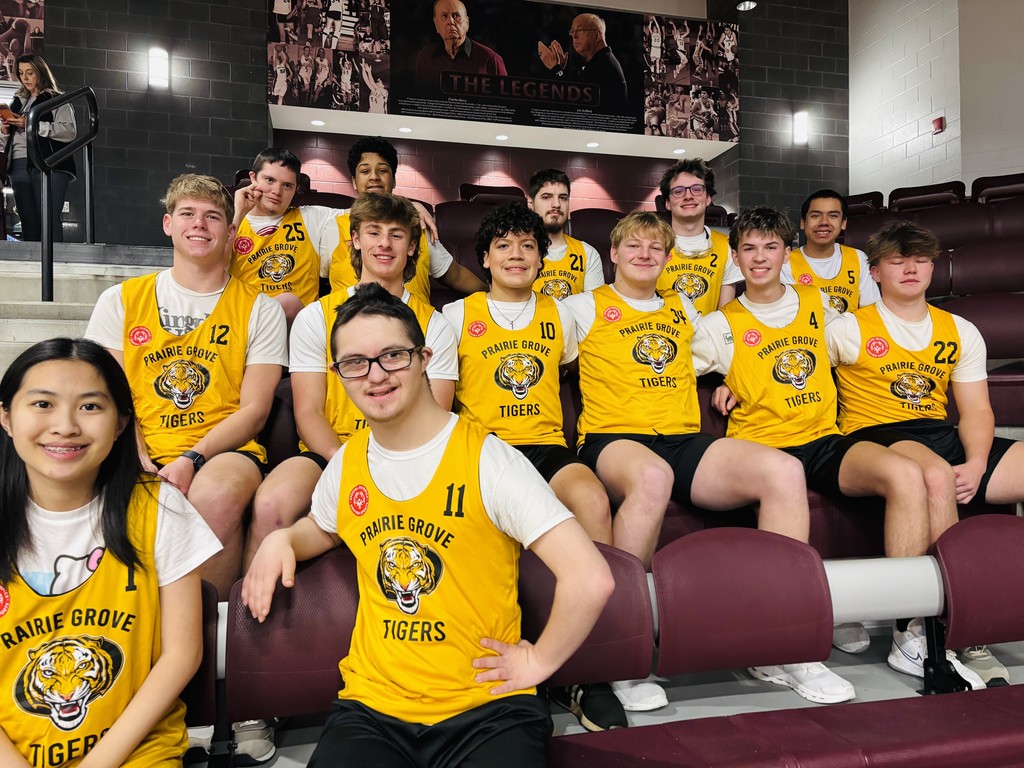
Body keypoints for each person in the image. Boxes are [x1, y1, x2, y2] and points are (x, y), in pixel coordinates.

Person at [243, 282, 613, 767]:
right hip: (373, 708)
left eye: (392, 355)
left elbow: (591, 578)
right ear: (338, 374)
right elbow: (326, 526)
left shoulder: (488, 458)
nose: (375, 375)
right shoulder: (348, 460)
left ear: (424, 358)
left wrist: (540, 661)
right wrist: (283, 538)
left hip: (488, 707)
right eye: (355, 362)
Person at [562, 211, 810, 712]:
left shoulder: (682, 309)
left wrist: (726, 382)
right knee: (653, 477)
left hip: (681, 437)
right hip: (614, 440)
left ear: (668, 258)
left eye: (655, 248)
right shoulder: (580, 307)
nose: (644, 255)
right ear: (613, 254)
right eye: (633, 246)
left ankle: (779, 636)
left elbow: (720, 356)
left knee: (784, 471)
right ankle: (623, 646)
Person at [701, 207, 948, 702]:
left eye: (771, 246)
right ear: (735, 257)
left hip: (825, 439)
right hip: (764, 446)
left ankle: (907, 630)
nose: (760, 257)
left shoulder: (822, 307)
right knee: (785, 473)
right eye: (748, 248)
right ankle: (780, 639)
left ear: (787, 254)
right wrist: (718, 380)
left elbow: (859, 355)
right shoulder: (717, 325)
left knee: (904, 474)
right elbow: (672, 373)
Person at [0, 337, 221, 767]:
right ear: (6, 417)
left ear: (122, 423)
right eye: (42, 404)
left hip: (134, 751)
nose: (65, 425)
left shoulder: (159, 506)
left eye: (90, 406)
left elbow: (181, 655)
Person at [442, 204, 621, 732]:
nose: (516, 255)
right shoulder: (457, 316)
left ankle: (590, 670)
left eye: (527, 246)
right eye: (504, 246)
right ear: (485, 258)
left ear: (542, 258)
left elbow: (569, 367)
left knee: (591, 499)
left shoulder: (560, 315)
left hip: (544, 446)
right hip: (485, 448)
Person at [831, 220, 1024, 688]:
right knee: (934, 472)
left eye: (920, 259)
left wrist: (977, 463)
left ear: (934, 267)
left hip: (942, 432)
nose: (910, 269)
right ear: (875, 272)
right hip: (877, 434)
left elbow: (976, 410)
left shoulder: (959, 329)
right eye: (897, 261)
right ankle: (932, 629)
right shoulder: (847, 328)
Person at [85, 174, 287, 601]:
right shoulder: (120, 300)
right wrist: (134, 453)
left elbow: (254, 410)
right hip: (136, 440)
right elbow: (106, 395)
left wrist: (193, 458)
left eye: (213, 216)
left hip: (224, 449)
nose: (200, 224)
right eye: (188, 214)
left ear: (231, 231)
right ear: (168, 224)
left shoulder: (261, 309)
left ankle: (204, 630)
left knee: (215, 494)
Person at [251, 192, 458, 572]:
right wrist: (342, 461)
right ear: (355, 241)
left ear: (413, 247)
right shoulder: (317, 316)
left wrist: (385, 464)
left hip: (406, 455)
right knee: (270, 503)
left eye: (397, 235)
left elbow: (437, 414)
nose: (384, 244)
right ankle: (252, 620)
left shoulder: (435, 324)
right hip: (330, 451)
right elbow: (309, 412)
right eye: (374, 232)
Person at [325, 136, 487, 302]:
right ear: (353, 181)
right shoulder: (331, 225)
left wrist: (494, 295)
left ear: (393, 180)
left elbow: (455, 274)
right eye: (365, 171)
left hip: (414, 322)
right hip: (348, 322)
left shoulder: (416, 223)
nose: (374, 177)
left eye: (382, 170)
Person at [229, 147, 343, 326]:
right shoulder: (231, 222)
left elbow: (368, 213)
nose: (277, 190)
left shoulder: (311, 217)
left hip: (299, 329)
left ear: (296, 189)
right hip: (245, 324)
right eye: (269, 180)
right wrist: (238, 214)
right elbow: (211, 269)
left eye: (287, 185)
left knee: (288, 303)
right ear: (253, 178)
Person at [0, 54, 76, 243]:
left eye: (30, 73)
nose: (25, 78)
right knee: (27, 219)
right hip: (17, 163)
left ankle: (54, 264)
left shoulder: (57, 99)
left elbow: (69, 131)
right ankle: (34, 265)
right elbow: (6, 139)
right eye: (20, 73)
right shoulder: (17, 101)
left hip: (48, 163)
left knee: (48, 218)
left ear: (41, 73)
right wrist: (5, 130)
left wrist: (31, 124)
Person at [656, 158, 742, 315]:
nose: (688, 196)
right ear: (667, 203)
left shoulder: (727, 246)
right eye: (678, 191)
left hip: (708, 336)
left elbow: (724, 314)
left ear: (708, 198)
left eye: (696, 189)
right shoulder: (652, 244)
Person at [782, 189, 880, 312]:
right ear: (802, 222)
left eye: (833, 216)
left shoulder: (858, 259)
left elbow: (871, 311)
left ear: (843, 223)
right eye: (815, 216)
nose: (824, 222)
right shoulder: (786, 263)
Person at [526, 168, 605, 299]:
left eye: (563, 198)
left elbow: (593, 309)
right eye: (546, 197)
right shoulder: (518, 252)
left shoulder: (587, 253)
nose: (556, 204)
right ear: (531, 203)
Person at [538, 13, 627, 114]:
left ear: (597, 35)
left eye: (580, 30)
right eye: (572, 31)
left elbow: (571, 106)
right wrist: (561, 69)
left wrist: (555, 68)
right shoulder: (602, 60)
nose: (574, 36)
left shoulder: (602, 65)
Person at [415, 0, 507, 97]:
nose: (450, 21)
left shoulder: (490, 59)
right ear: (436, 24)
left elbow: (505, 104)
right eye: (444, 16)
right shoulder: (425, 57)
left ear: (467, 23)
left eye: (456, 16)